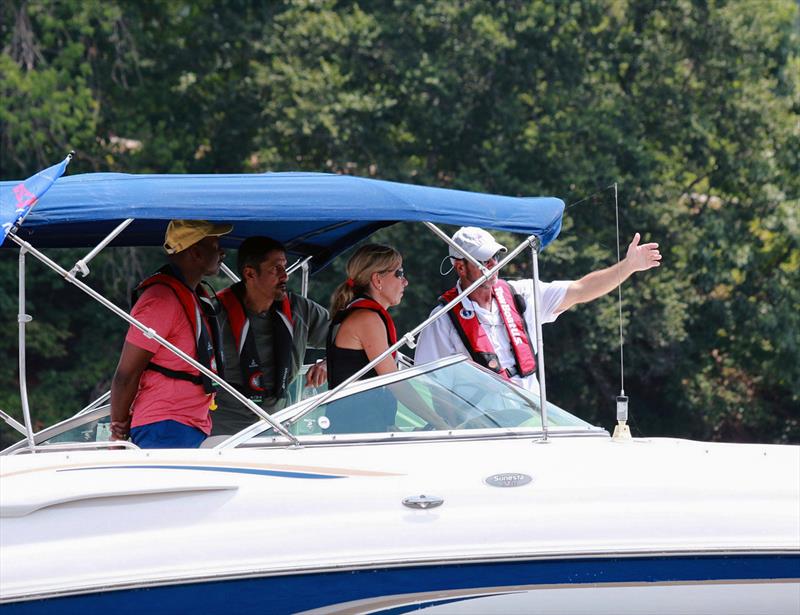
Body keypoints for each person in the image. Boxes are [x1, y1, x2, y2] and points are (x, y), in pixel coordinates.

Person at [414, 226, 661, 392]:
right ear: (460, 268)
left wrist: (628, 266)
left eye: (494, 258)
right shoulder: (442, 320)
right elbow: (425, 383)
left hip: (530, 420)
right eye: (483, 261)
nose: (492, 265)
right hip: (480, 429)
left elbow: (581, 290)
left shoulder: (522, 293)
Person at [110, 219, 232, 448]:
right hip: (165, 425)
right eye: (215, 247)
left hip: (189, 424)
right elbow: (126, 374)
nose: (222, 252)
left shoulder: (193, 295)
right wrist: (118, 430)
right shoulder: (160, 301)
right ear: (196, 253)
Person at [210, 236, 330, 435]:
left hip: (279, 425)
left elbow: (348, 340)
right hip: (224, 429)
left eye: (285, 267)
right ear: (249, 273)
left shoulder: (300, 310)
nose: (285, 276)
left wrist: (327, 363)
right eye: (276, 269)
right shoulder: (214, 313)